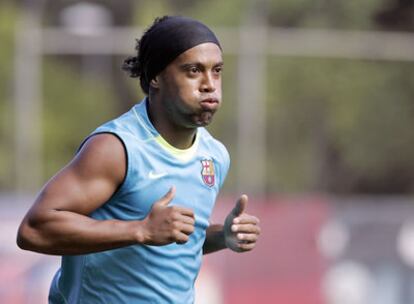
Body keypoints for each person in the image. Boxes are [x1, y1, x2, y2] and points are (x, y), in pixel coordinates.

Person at [17, 15, 261, 303]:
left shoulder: (214, 155)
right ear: (156, 76)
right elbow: (34, 229)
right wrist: (140, 230)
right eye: (193, 70)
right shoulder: (117, 148)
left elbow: (171, 240)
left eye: (216, 70)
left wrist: (222, 237)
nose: (209, 84)